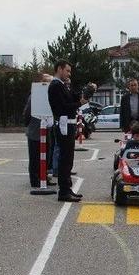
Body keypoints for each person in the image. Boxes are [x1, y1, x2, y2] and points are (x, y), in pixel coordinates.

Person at [48, 59, 89, 202]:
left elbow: (72, 96)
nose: (69, 74)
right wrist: (79, 103)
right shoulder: (55, 86)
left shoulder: (62, 85)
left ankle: (67, 188)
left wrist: (83, 93)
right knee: (65, 158)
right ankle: (64, 191)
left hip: (68, 124)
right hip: (63, 125)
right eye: (67, 71)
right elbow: (63, 106)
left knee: (68, 158)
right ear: (59, 69)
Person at [23, 74, 56, 188]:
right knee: (35, 157)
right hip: (35, 130)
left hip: (47, 129)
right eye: (49, 83)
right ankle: (35, 179)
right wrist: (29, 125)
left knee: (46, 155)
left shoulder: (49, 95)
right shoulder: (35, 95)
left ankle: (44, 177)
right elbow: (27, 112)